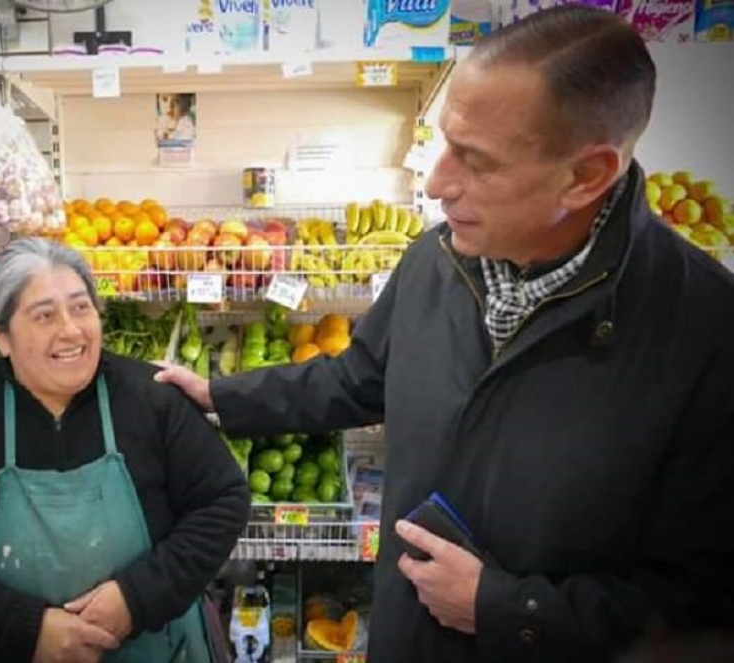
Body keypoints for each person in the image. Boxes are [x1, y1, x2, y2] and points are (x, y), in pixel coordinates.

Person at [154, 6, 734, 663]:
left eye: (476, 161)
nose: (435, 184)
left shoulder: (704, 333)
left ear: (585, 175)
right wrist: (220, 395)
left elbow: (708, 598)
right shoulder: (437, 259)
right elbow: (355, 378)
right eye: (443, 143)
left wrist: (506, 607)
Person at [0, 238, 250, 663]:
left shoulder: (153, 401)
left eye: (81, 307)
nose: (71, 330)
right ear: (0, 335)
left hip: (157, 647)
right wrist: (25, 629)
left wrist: (136, 597)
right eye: (45, 315)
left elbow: (223, 500)